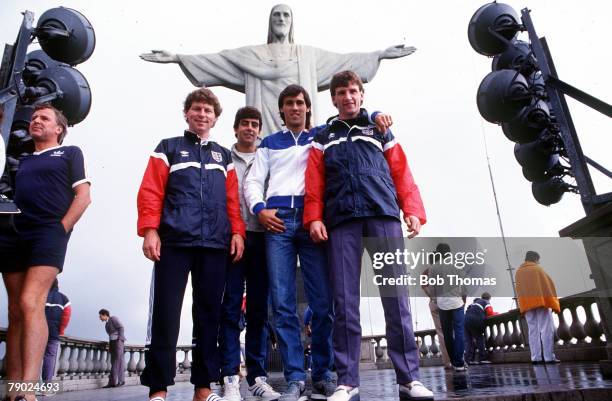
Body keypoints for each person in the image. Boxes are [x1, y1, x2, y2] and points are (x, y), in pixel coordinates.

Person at [303, 70, 433, 401]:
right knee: (345, 302)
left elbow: (401, 170)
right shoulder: (322, 136)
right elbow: (314, 182)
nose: (347, 96)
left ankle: (409, 379)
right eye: (341, 92)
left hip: (383, 215)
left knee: (396, 298)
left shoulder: (380, 129)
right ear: (333, 99)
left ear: (361, 95)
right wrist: (314, 217)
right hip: (341, 221)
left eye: (353, 91)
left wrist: (413, 210)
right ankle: (347, 382)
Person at [140, 4, 416, 134]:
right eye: (276, 15)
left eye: (285, 15)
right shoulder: (252, 55)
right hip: (263, 132)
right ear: (270, 22)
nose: (281, 19)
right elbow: (219, 61)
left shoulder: (307, 55)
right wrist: (177, 57)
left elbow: (342, 63)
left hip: (304, 132)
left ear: (291, 22)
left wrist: (379, 55)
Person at [137, 88, 246, 401]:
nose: (202, 114)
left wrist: (237, 232)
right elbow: (151, 191)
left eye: (208, 111)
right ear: (187, 113)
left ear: (215, 117)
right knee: (165, 313)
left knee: (209, 315)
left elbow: (231, 201)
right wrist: (149, 230)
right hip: (173, 242)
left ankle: (203, 388)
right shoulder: (167, 148)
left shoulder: (223, 156)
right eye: (197, 109)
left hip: (214, 244)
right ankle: (158, 389)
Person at [0, 103, 91, 401]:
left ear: (59, 129)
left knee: (30, 302)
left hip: (47, 233)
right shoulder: (22, 161)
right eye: (34, 117)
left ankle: (29, 391)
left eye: (45, 118)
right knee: (15, 311)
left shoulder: (70, 153)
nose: (36, 121)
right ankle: (13, 391)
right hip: (14, 233)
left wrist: (60, 229)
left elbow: (84, 196)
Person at [218, 107, 280, 401]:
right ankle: (230, 376)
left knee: (258, 311)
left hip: (262, 237)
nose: (250, 129)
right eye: (245, 124)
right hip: (232, 238)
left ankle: (257, 377)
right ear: (235, 128)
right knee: (230, 308)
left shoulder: (268, 155)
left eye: (255, 124)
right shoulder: (222, 157)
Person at [427, 243, 467, 373]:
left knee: (447, 334)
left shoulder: (433, 268)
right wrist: (464, 298)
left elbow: (432, 287)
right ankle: (459, 362)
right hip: (457, 302)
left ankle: (454, 362)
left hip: (442, 304)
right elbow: (464, 283)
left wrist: (435, 299)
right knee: (460, 331)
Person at [515, 251, 560, 364]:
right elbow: (548, 286)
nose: (538, 262)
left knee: (532, 331)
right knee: (546, 329)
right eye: (538, 260)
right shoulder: (537, 269)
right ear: (535, 258)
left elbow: (519, 290)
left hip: (527, 304)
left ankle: (536, 358)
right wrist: (553, 302)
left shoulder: (518, 272)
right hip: (541, 302)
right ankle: (549, 357)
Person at [421, 267, 452, 369]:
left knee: (441, 333)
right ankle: (457, 360)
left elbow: (424, 287)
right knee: (452, 330)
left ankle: (447, 362)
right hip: (447, 301)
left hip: (434, 303)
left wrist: (433, 297)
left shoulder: (426, 272)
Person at [42, 279, 71, 382]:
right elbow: (66, 317)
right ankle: (46, 386)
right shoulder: (64, 299)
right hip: (53, 333)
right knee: (50, 357)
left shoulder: (40, 294)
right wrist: (61, 331)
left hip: (37, 331)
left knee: (33, 358)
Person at [464, 292, 496, 365]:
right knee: (480, 338)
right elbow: (490, 313)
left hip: (465, 320)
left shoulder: (474, 303)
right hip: (475, 321)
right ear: (489, 298)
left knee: (469, 341)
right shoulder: (485, 302)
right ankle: (482, 358)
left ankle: (469, 360)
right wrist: (496, 313)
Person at [98, 309, 126, 388]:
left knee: (116, 362)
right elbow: (110, 335)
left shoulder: (113, 318)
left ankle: (113, 382)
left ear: (105, 315)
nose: (100, 318)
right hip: (113, 343)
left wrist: (120, 339)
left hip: (118, 342)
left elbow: (121, 327)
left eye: (100, 316)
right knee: (115, 362)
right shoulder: (106, 325)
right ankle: (120, 381)